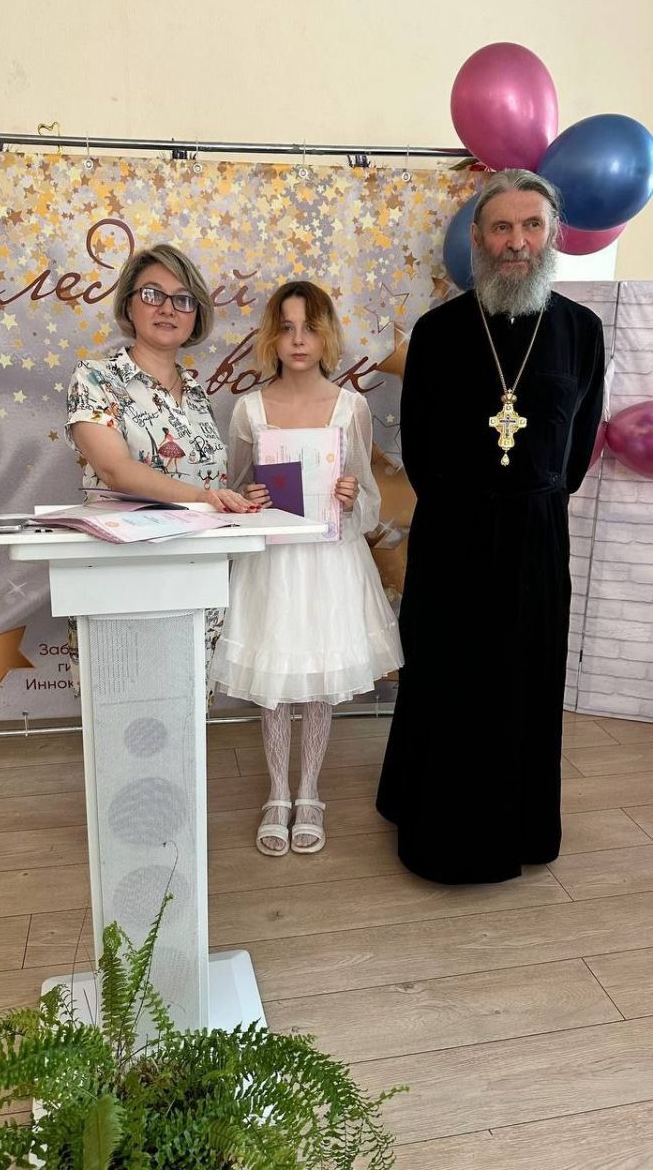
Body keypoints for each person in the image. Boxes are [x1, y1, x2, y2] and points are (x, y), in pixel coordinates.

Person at [376, 169, 605, 885]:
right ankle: (439, 833)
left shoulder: (581, 330)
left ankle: (521, 829)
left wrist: (532, 495)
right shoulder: (438, 331)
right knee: (448, 680)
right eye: (501, 227)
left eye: (531, 226)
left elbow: (578, 446)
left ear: (552, 235)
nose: (516, 242)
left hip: (537, 536)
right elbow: (418, 445)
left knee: (524, 683)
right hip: (454, 535)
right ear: (477, 238)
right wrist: (472, 502)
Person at [211, 281, 403, 855]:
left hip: (329, 563)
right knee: (275, 684)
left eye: (310, 328)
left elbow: (369, 501)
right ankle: (277, 793)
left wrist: (351, 494)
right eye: (287, 328)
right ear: (272, 336)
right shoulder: (249, 409)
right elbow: (236, 488)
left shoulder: (350, 407)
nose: (298, 340)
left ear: (327, 336)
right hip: (274, 566)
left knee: (317, 682)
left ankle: (310, 791)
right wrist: (250, 498)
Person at [66, 243, 253, 674]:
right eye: (153, 294)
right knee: (119, 699)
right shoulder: (94, 378)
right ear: (129, 305)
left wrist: (240, 497)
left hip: (199, 580)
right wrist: (204, 497)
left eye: (183, 299)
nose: (168, 308)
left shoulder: (198, 395)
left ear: (195, 314)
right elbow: (115, 469)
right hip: (119, 576)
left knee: (192, 703)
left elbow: (212, 481)